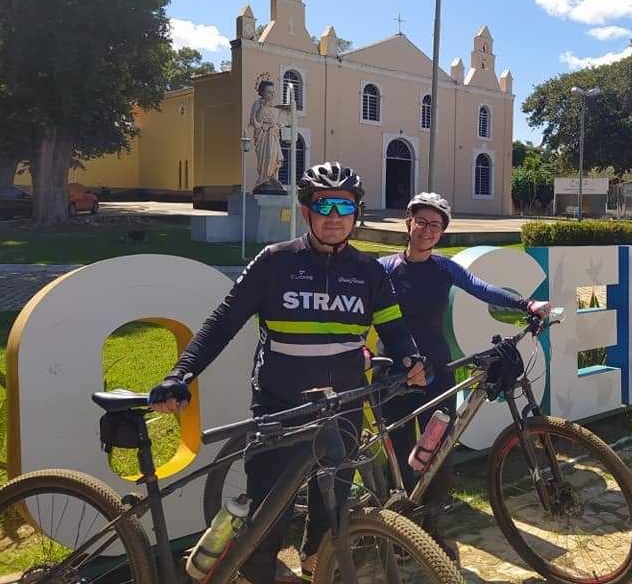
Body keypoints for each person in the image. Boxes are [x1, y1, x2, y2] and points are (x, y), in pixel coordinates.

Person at [148, 162, 425, 584]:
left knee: (331, 506)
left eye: (344, 206)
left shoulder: (369, 271)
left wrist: (411, 359)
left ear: (357, 213)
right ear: (306, 210)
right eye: (323, 204)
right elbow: (223, 321)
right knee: (266, 512)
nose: (334, 215)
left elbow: (394, 328)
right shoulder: (274, 262)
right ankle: (260, 572)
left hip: (345, 406)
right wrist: (182, 372)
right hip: (281, 405)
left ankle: (318, 565)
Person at [378, 192, 551, 561]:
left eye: (435, 225)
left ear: (442, 232)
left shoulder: (444, 268)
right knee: (399, 456)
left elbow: (481, 287)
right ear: (408, 222)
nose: (427, 230)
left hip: (437, 376)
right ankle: (399, 531)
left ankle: (432, 529)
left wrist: (526, 304)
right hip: (394, 379)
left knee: (438, 455)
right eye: (421, 222)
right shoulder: (385, 268)